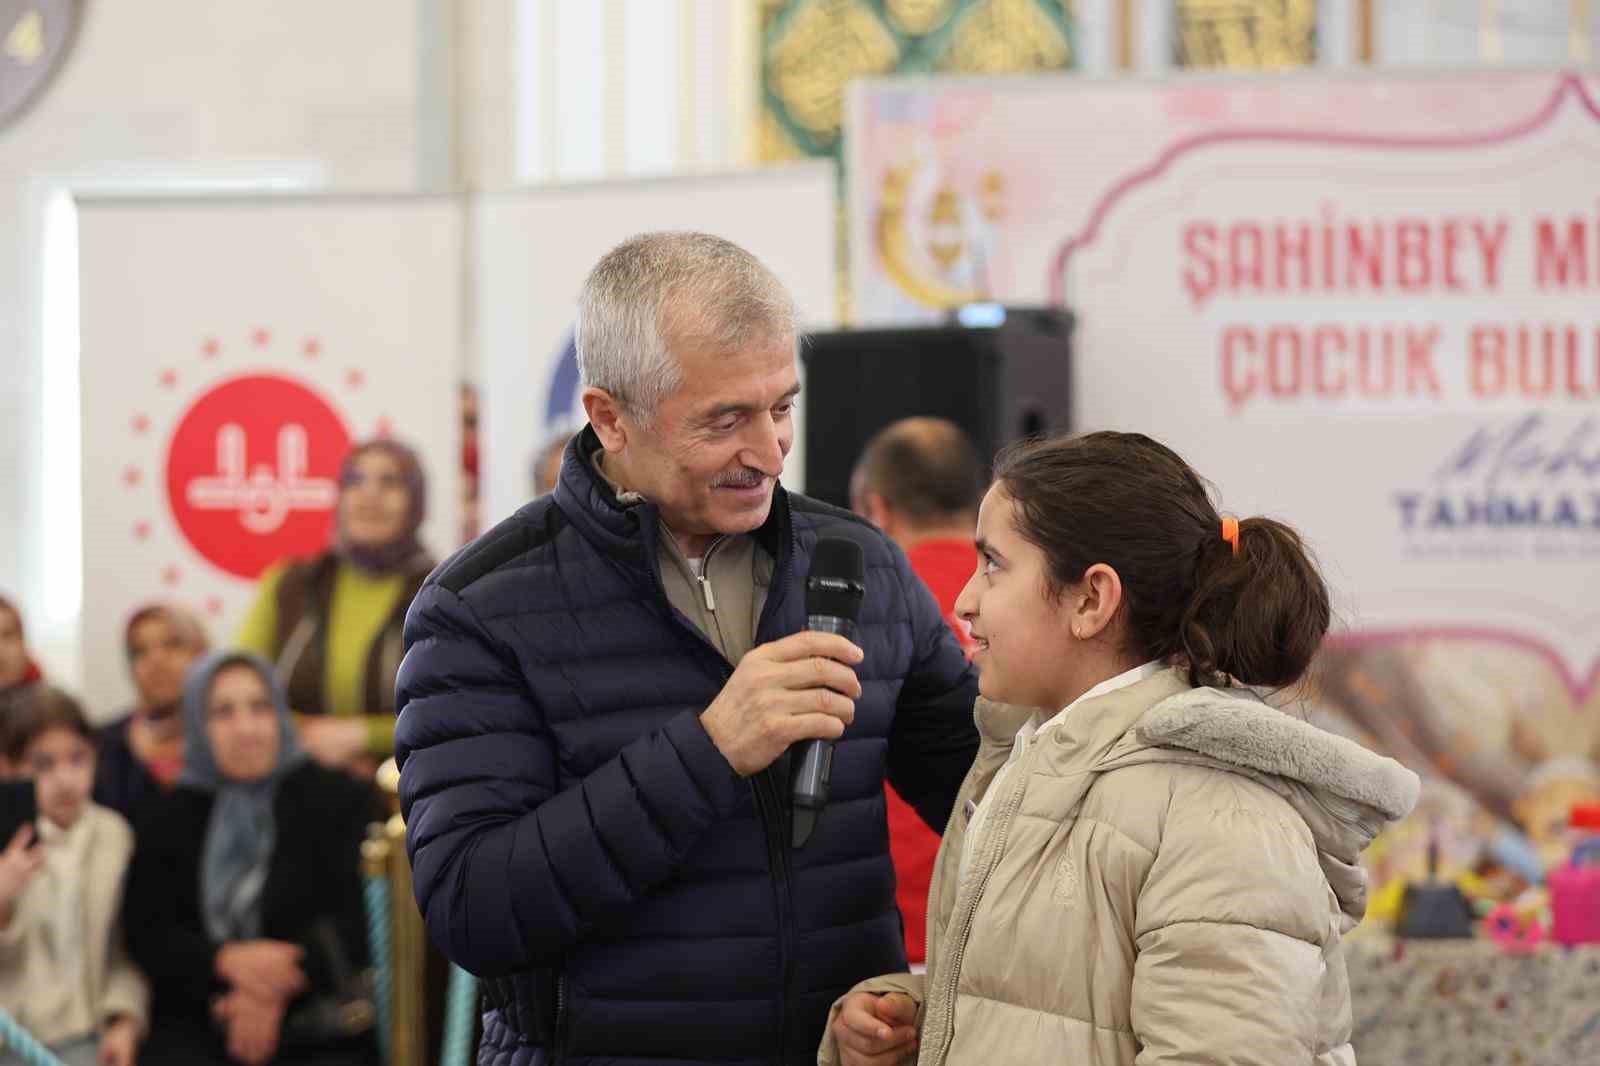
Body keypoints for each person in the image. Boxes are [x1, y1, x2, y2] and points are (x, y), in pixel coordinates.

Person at [395, 231, 980, 1066]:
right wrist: (708, 751)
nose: (770, 451)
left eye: (782, 406)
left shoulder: (861, 564)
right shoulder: (479, 608)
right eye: (725, 420)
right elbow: (474, 910)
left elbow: (983, 803)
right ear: (609, 417)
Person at [823, 431, 1421, 1066]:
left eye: (993, 564)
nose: (966, 602)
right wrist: (926, 1021)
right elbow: (1061, 1008)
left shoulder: (1216, 811)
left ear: (1091, 599)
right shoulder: (1029, 763)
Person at [122, 653, 379, 1065]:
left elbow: (360, 917)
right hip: (200, 1013)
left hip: (320, 1012)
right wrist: (226, 962)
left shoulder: (336, 798)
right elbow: (146, 929)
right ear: (198, 726)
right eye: (223, 712)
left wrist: (273, 989)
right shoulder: (165, 815)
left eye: (260, 707)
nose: (246, 729)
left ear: (280, 714)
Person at [849, 417, 986, 967]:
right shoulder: (1039, 599)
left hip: (888, 942)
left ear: (876, 509)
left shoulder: (855, 606)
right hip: (1010, 936)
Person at [236, 439, 436, 773]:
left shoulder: (441, 591)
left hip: (411, 791)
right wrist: (303, 734)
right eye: (355, 481)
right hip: (296, 777)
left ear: (416, 502)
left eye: (390, 481)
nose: (370, 495)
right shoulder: (290, 584)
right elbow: (239, 687)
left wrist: (363, 737)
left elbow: (454, 708)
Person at [0, 686, 147, 1066]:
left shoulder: (114, 835)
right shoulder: (7, 840)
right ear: (9, 768)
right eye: (43, 765)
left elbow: (127, 949)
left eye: (78, 759)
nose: (65, 779)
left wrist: (125, 1019)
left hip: (88, 1035)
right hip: (12, 1036)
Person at [95, 604, 210, 822]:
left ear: (201, 654)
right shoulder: (103, 744)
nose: (156, 661)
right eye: (140, 651)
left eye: (173, 644)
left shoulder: (228, 735)